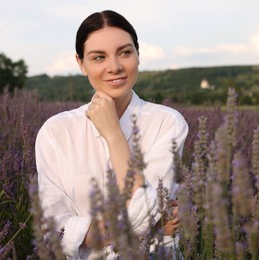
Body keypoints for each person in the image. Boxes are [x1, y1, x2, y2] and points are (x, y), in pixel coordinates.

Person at [35, 10, 189, 259]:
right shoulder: (56, 132)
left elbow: (148, 211)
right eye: (98, 57)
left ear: (138, 55)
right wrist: (152, 225)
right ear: (81, 64)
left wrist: (113, 134)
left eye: (125, 52)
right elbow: (51, 229)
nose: (115, 66)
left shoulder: (167, 123)